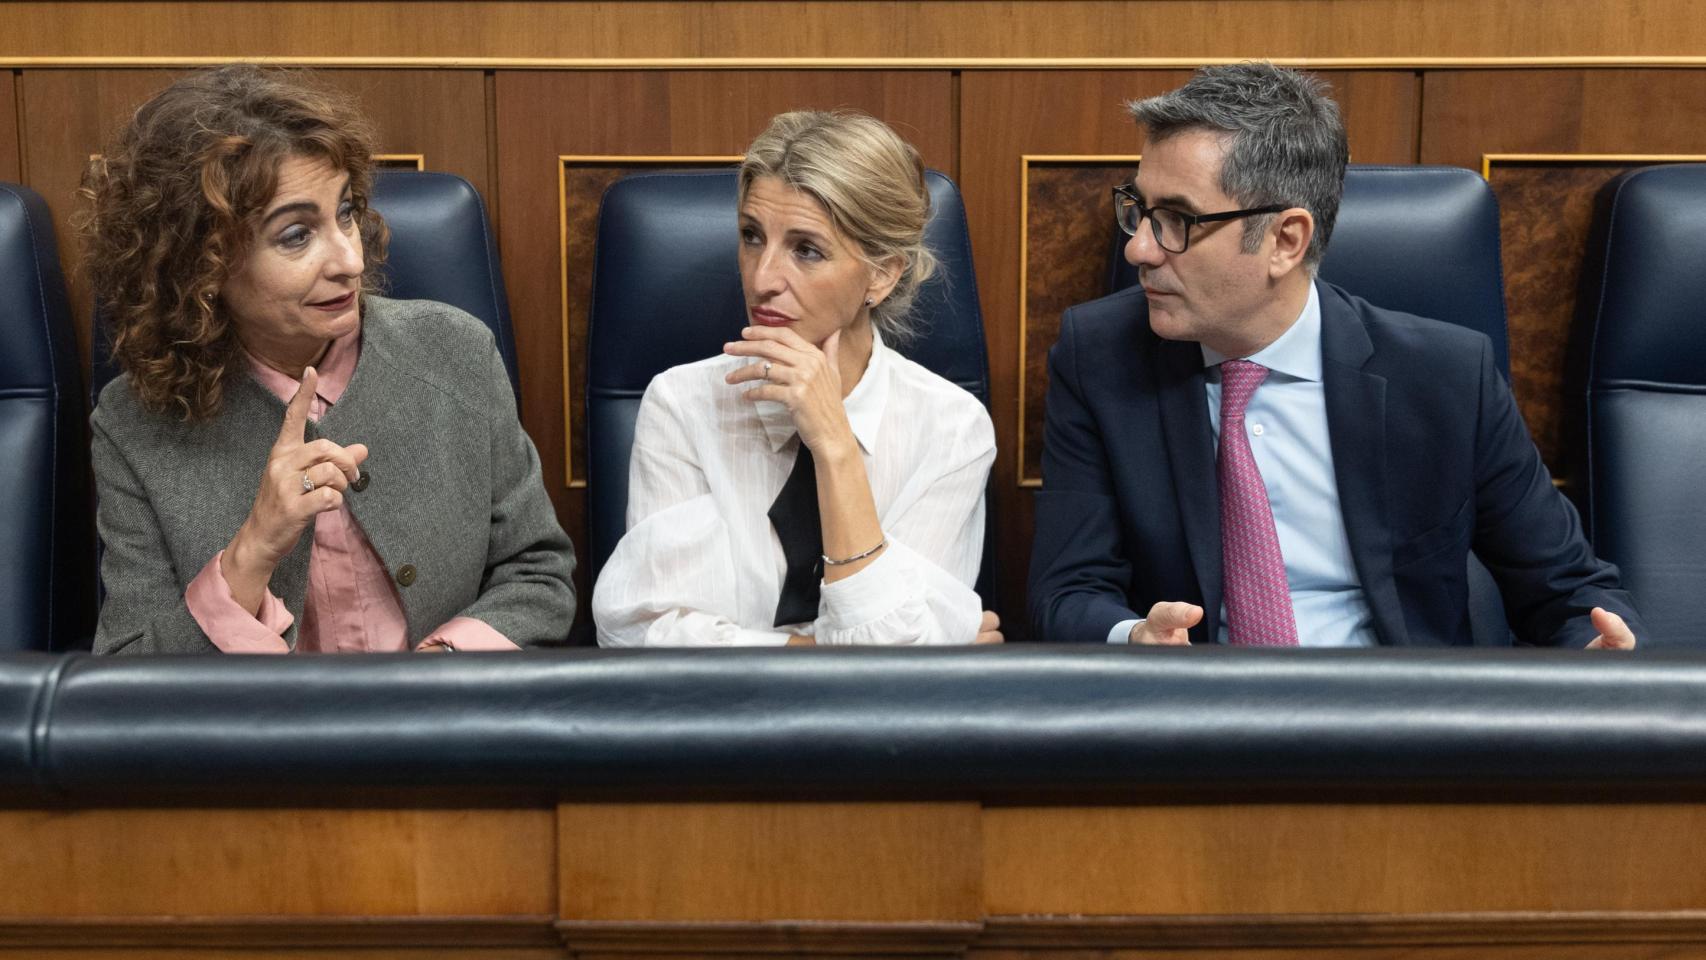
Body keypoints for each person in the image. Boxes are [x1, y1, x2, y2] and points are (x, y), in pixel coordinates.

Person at [1028, 62, 1643, 649]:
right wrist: (1135, 636)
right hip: (1196, 719)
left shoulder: (1447, 376)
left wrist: (1594, 646)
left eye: (1176, 220)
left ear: (1285, 240)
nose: (1139, 249)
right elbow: (1068, 589)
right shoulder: (1100, 356)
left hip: (1393, 722)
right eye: (1138, 209)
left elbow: (1567, 591)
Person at [82, 64, 575, 654]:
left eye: (345, 213)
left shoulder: (457, 351)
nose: (349, 260)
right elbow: (127, 669)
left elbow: (539, 574)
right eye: (296, 235)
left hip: (448, 729)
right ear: (201, 266)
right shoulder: (133, 425)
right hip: (262, 742)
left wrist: (445, 668)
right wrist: (252, 552)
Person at [593, 110, 999, 646]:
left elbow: (898, 671)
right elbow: (643, 634)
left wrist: (834, 446)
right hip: (716, 726)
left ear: (882, 273)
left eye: (807, 250)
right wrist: (816, 651)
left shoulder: (951, 428)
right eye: (752, 236)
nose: (762, 279)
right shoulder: (684, 403)